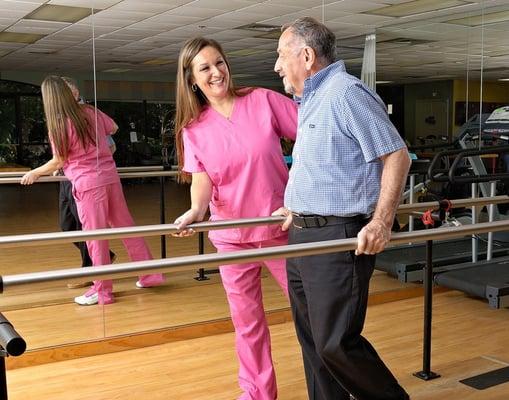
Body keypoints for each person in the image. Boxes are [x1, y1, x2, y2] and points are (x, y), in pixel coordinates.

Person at [272, 17, 411, 400]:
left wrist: (381, 222)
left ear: (306, 55)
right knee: (313, 342)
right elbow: (328, 167)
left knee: (335, 342)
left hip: (337, 236)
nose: (277, 66)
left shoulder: (346, 94)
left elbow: (397, 156)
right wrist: (295, 207)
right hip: (301, 235)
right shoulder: (312, 100)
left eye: (282, 56)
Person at [173, 37, 297, 400]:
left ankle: (335, 383)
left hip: (279, 227)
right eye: (205, 68)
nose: (216, 72)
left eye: (219, 62)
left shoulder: (262, 100)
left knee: (311, 312)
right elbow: (202, 177)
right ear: (192, 80)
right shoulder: (194, 128)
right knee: (247, 323)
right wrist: (197, 210)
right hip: (230, 234)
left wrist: (298, 196)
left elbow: (312, 139)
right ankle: (258, 393)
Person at [20, 75, 165, 306]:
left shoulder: (59, 123)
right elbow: (114, 127)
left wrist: (35, 172)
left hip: (88, 185)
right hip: (110, 178)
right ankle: (151, 275)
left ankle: (102, 292)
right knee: (126, 228)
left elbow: (58, 160)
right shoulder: (89, 111)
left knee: (95, 238)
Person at [57, 76, 115, 289]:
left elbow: (110, 146)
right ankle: (103, 257)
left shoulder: (89, 114)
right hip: (68, 176)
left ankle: (92, 269)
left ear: (75, 95)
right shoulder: (62, 118)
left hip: (85, 177)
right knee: (67, 224)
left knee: (85, 226)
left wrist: (86, 159)